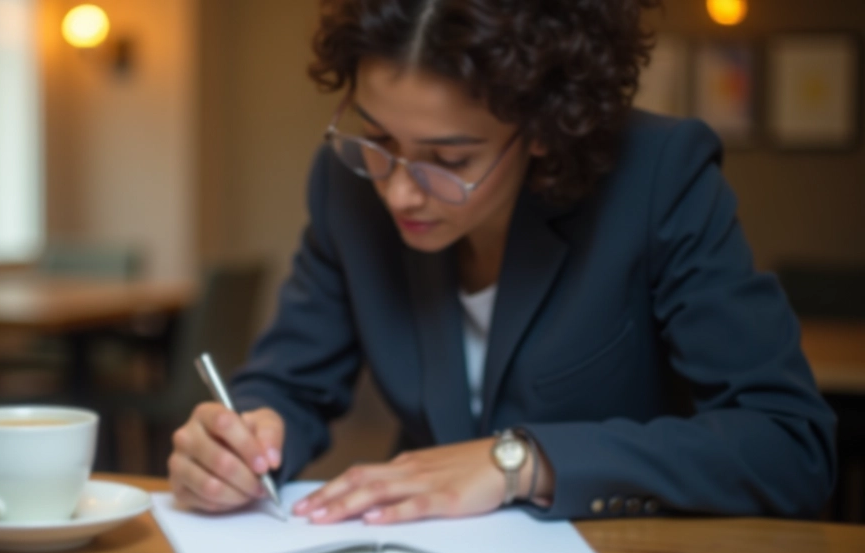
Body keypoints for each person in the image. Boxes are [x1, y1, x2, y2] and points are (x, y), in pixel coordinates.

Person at [168, 0, 836, 523]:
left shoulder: (659, 179)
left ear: (545, 127)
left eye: (450, 160)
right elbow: (289, 383)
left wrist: (521, 463)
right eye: (376, 138)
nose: (398, 188)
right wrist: (242, 437)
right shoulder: (348, 187)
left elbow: (789, 446)